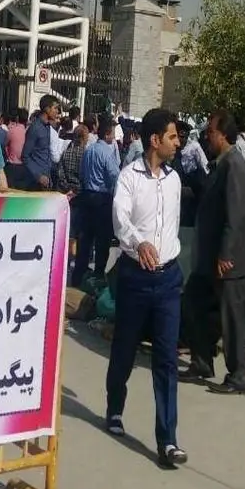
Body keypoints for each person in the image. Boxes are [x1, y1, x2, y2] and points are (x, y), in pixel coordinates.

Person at [105, 108, 188, 468]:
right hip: (136, 278)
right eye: (172, 136)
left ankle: (167, 440)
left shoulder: (174, 181)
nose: (178, 142)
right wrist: (138, 243)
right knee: (125, 347)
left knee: (166, 359)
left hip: (168, 280)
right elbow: (120, 219)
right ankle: (115, 407)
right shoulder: (129, 178)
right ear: (155, 140)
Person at [181, 110, 245, 396]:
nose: (206, 137)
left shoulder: (234, 165)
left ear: (223, 135)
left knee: (232, 319)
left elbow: (236, 215)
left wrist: (226, 254)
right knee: (193, 303)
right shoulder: (219, 164)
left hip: (228, 260)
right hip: (208, 259)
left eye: (210, 132)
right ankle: (202, 361)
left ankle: (238, 376)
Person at [74, 120, 121, 287]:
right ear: (107, 134)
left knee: (85, 238)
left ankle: (79, 274)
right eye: (113, 133)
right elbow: (115, 176)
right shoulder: (107, 152)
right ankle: (99, 275)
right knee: (102, 240)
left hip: (87, 196)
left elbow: (81, 173)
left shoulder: (89, 150)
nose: (114, 136)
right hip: (102, 198)